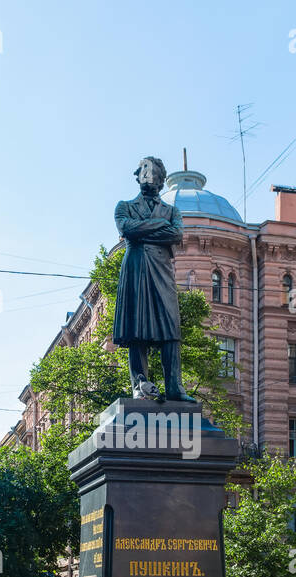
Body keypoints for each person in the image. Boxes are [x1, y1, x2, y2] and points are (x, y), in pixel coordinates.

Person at [113, 156, 194, 402]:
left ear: (160, 179)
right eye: (144, 171)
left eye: (153, 172)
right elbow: (127, 229)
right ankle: (140, 385)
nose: (148, 176)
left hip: (161, 271)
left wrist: (145, 229)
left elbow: (176, 234)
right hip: (136, 270)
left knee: (170, 327)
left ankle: (174, 387)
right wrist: (159, 225)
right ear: (137, 176)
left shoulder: (172, 211)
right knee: (137, 328)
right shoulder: (124, 206)